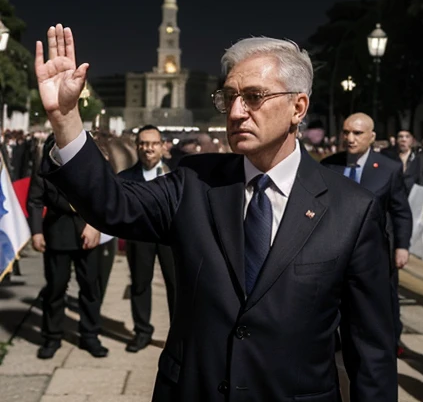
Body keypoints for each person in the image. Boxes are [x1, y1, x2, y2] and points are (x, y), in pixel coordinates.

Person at [35, 25, 396, 401]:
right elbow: (111, 207)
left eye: (254, 97)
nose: (237, 112)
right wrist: (66, 119)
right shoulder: (194, 181)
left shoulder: (352, 210)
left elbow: (371, 351)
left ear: (298, 107)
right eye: (229, 97)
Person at [322, 113, 412, 357]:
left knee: (383, 304)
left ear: (372, 137)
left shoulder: (389, 168)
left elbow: (400, 210)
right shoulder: (329, 165)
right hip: (336, 251)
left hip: (377, 254)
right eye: (346, 132)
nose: (350, 138)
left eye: (357, 133)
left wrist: (402, 246)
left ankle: (388, 343)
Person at [26, 135, 108, 359]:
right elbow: (34, 201)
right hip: (57, 233)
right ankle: (52, 337)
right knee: (55, 288)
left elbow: (103, 197)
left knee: (91, 287)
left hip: (87, 232)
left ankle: (90, 335)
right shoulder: (45, 169)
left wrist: (94, 225)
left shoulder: (90, 165)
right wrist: (36, 232)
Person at [120, 124, 176, 353]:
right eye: (143, 143)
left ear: (162, 147)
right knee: (140, 284)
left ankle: (177, 335)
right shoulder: (125, 178)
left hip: (170, 238)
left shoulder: (175, 176)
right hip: (140, 238)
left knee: (176, 285)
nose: (148, 148)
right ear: (137, 147)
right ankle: (142, 332)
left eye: (153, 143)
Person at [381, 129, 423, 194]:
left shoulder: (418, 157)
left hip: (413, 194)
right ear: (396, 140)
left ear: (412, 140)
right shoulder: (388, 156)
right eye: (400, 137)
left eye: (407, 137)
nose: (403, 140)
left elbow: (422, 176)